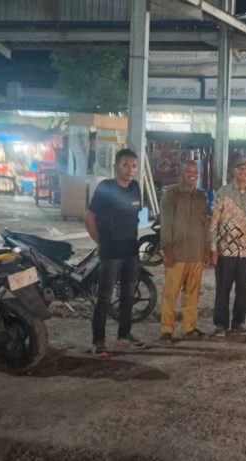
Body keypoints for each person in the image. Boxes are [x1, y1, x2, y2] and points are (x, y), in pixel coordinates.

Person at [85, 148, 147, 357]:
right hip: (111, 252)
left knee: (128, 295)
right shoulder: (106, 188)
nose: (130, 169)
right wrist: (100, 242)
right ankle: (98, 341)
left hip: (131, 250)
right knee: (104, 297)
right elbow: (89, 217)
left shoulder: (135, 187)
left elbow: (136, 217)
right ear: (116, 166)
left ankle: (124, 335)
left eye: (134, 166)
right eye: (125, 165)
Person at [209, 155, 246, 336]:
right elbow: (214, 222)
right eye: (240, 168)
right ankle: (221, 324)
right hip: (225, 250)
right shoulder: (223, 192)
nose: (244, 171)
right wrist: (213, 248)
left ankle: (238, 323)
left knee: (243, 289)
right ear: (234, 171)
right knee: (222, 289)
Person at [158, 160, 210, 345]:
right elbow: (166, 223)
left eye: (195, 171)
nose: (192, 174)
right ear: (180, 173)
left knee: (192, 294)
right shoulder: (171, 194)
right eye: (188, 171)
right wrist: (167, 250)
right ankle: (166, 330)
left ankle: (189, 328)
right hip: (176, 254)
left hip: (196, 253)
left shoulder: (201, 196)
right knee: (170, 294)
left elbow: (206, 224)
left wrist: (206, 249)